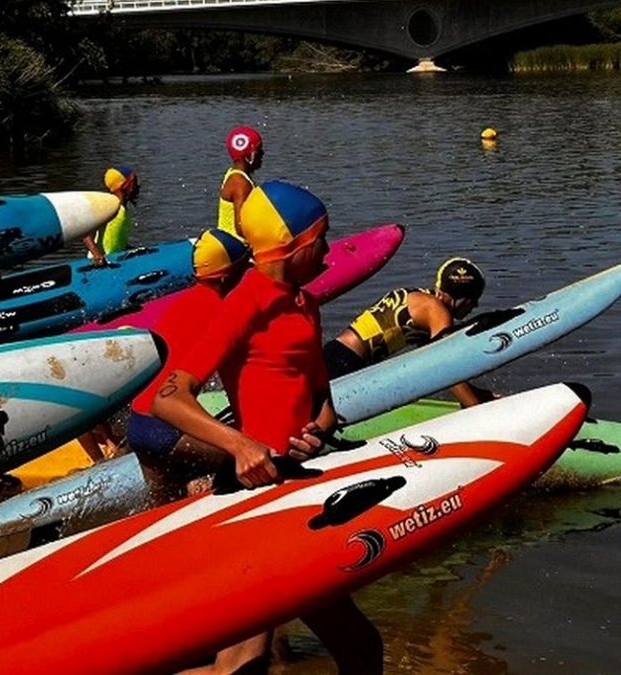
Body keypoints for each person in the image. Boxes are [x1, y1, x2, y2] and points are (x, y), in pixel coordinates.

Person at [152, 180, 383, 675]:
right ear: (296, 244)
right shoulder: (245, 301)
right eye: (321, 237)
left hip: (298, 490)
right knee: (241, 663)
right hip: (254, 494)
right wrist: (240, 446)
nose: (327, 246)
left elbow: (322, 401)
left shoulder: (306, 305)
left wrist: (317, 432)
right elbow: (169, 398)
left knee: (361, 648)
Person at [124, 227, 250, 500]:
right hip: (167, 426)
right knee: (257, 461)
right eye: (245, 271)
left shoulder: (183, 302)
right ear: (228, 276)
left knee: (162, 509)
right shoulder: (224, 311)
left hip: (138, 423)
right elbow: (239, 381)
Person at [322, 256, 495, 407]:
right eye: (474, 300)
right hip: (344, 364)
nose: (475, 306)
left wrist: (479, 394)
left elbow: (437, 366)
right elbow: (445, 365)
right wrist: (476, 408)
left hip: (336, 356)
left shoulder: (423, 299)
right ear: (461, 298)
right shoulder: (437, 310)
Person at [217, 125, 263, 238]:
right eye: (258, 149)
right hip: (238, 248)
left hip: (228, 241)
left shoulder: (233, 173)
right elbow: (241, 228)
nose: (262, 153)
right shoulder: (241, 184)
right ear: (249, 154)